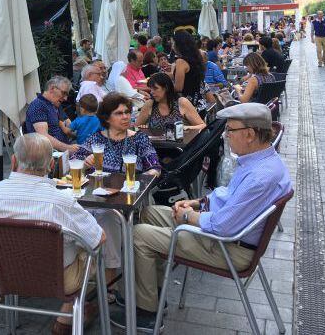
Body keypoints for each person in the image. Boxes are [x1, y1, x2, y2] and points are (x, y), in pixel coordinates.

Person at [132, 103, 291, 330]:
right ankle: (153, 293)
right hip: (227, 235)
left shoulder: (260, 176)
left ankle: (147, 314)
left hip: (228, 248)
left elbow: (223, 226)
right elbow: (229, 196)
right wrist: (198, 202)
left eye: (231, 130)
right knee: (148, 212)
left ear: (250, 134)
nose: (225, 135)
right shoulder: (260, 160)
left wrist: (189, 217)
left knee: (139, 234)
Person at [0, 133, 105, 334]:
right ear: (51, 165)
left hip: (6, 273)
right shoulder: (61, 201)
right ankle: (69, 314)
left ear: (14, 160)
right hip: (59, 279)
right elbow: (98, 239)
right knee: (91, 248)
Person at [73, 93, 161, 176]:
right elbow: (72, 163)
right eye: (119, 113)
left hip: (131, 189)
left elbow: (155, 168)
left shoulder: (139, 138)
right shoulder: (96, 139)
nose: (125, 117)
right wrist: (84, 164)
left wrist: (139, 179)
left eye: (127, 112)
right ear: (107, 118)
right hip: (99, 189)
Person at [24, 76, 79, 152]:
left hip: (65, 147)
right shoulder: (38, 105)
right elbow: (43, 137)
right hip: (50, 154)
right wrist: (68, 148)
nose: (66, 98)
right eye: (64, 93)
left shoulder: (55, 103)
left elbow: (69, 125)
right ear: (52, 88)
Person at [135, 73, 205, 132]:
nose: (152, 92)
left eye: (155, 88)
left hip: (179, 146)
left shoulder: (182, 102)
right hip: (156, 146)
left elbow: (202, 125)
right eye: (151, 88)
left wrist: (186, 128)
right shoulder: (149, 104)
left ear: (166, 88)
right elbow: (136, 127)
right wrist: (144, 128)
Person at [171, 31, 205, 108]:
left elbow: (178, 88)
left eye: (173, 43)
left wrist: (163, 87)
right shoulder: (196, 59)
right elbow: (189, 77)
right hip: (200, 104)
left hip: (187, 107)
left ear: (179, 45)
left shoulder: (181, 62)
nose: (172, 46)